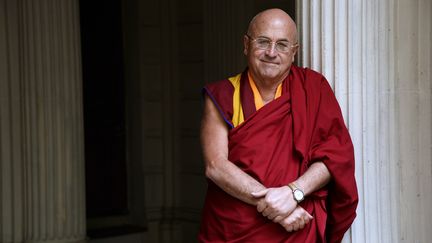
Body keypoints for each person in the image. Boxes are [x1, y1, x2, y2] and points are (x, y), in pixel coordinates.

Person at [198, 8, 358, 243]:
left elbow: (335, 156)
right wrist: (278, 207)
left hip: (297, 229)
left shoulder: (313, 88)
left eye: (282, 45)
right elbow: (215, 166)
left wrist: (294, 192)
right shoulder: (222, 95)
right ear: (246, 44)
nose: (271, 52)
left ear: (294, 52)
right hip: (234, 227)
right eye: (263, 42)